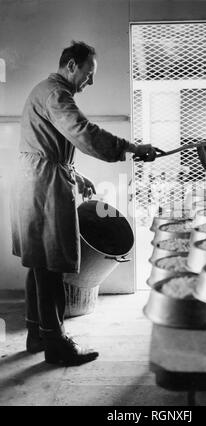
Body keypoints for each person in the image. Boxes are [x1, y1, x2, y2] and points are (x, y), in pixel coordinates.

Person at [10, 41, 158, 366]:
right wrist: (131, 148)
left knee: (39, 262)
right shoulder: (56, 94)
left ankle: (37, 334)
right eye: (89, 74)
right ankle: (56, 344)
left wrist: (74, 175)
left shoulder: (46, 91)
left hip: (34, 179)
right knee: (52, 265)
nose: (90, 82)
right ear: (72, 66)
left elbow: (48, 144)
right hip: (43, 185)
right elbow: (83, 132)